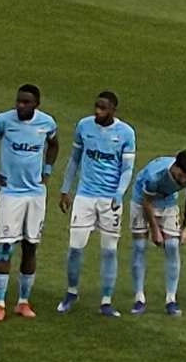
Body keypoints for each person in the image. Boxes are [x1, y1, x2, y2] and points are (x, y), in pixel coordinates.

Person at [0, 83, 59, 321]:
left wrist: (47, 170)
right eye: (18, 101)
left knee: (30, 246)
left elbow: (54, 144)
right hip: (10, 194)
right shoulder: (4, 121)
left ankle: (23, 301)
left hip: (35, 194)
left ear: (36, 104)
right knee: (5, 246)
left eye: (26, 102)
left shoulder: (46, 123)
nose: (20, 106)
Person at [56, 91, 136, 317]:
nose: (97, 111)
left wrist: (119, 194)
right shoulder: (84, 126)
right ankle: (71, 293)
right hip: (85, 197)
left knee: (109, 251)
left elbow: (127, 169)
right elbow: (74, 159)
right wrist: (65, 189)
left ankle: (106, 301)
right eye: (96, 107)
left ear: (113, 110)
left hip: (110, 200)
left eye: (103, 108)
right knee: (75, 248)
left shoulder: (126, 133)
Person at [130, 152, 186, 317]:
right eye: (180, 176)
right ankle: (139, 298)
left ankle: (171, 299)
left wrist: (185, 226)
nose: (183, 180)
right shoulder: (154, 175)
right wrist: (155, 231)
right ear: (174, 167)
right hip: (142, 200)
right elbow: (147, 203)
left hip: (168, 201)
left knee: (172, 245)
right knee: (140, 246)